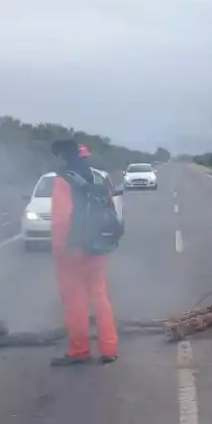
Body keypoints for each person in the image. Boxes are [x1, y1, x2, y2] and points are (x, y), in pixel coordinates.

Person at [49, 140, 119, 365]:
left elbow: (61, 221)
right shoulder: (99, 178)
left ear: (64, 156)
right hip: (99, 246)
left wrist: (59, 250)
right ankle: (109, 348)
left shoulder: (63, 180)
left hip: (73, 250)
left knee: (75, 300)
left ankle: (79, 350)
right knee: (100, 296)